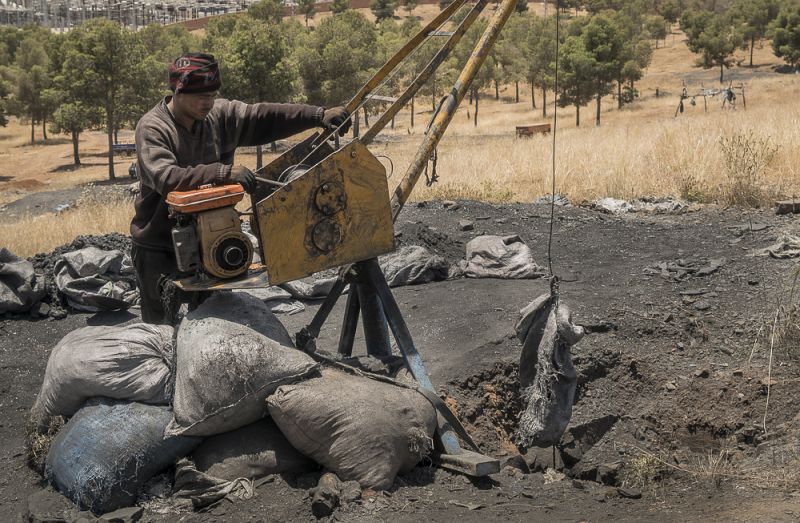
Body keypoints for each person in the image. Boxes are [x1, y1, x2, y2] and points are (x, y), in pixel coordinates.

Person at [131, 52, 351, 324]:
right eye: (201, 96)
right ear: (177, 91)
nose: (208, 103)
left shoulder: (219, 115)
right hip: (159, 248)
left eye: (212, 95)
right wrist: (222, 172)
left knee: (215, 324)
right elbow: (167, 177)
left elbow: (264, 116)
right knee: (160, 328)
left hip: (211, 243)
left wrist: (318, 115)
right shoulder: (153, 127)